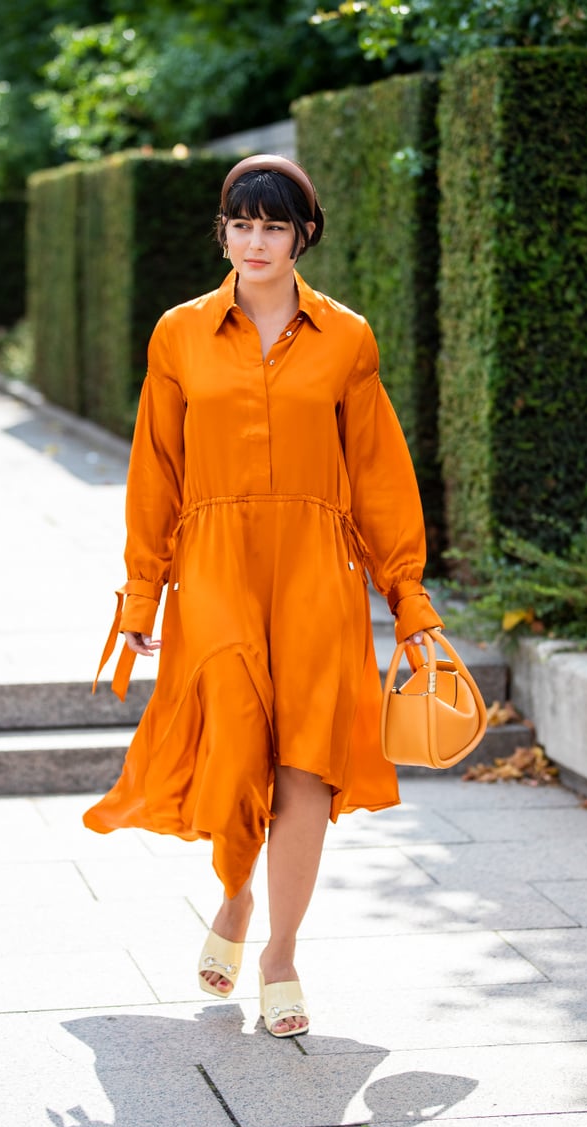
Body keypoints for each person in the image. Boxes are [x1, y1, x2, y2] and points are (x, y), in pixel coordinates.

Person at [84, 154, 443, 1038]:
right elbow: (153, 477)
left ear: (302, 235)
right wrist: (139, 599)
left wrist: (408, 598)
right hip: (213, 567)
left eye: (273, 225)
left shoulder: (348, 339)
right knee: (236, 745)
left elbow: (382, 476)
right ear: (224, 232)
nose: (254, 241)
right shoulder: (177, 334)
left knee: (307, 763)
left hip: (318, 570)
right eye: (239, 224)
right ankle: (235, 897)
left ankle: (280, 950)